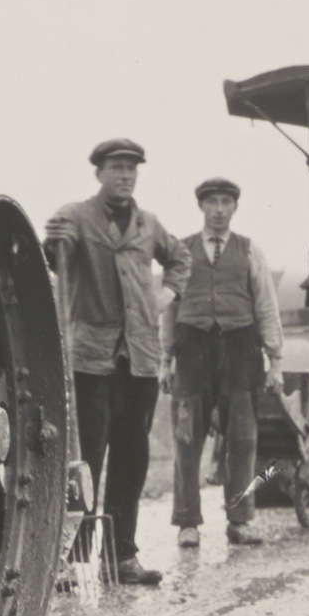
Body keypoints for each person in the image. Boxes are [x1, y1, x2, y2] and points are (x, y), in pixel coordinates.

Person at [46, 140, 191, 588]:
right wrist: (54, 242)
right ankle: (69, 558)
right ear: (99, 174)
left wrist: (167, 294)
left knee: (132, 457)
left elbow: (180, 258)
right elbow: (56, 255)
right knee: (85, 459)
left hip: (140, 358)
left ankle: (121, 557)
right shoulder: (76, 215)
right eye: (116, 168)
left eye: (131, 169)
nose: (125, 176)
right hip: (91, 358)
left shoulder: (149, 224)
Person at [164, 177, 281, 550]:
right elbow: (170, 309)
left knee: (243, 439)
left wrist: (275, 360)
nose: (218, 209)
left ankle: (240, 520)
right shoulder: (181, 251)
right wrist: (164, 360)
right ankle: (187, 524)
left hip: (240, 350)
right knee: (186, 438)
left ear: (234, 207)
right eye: (212, 202)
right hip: (192, 351)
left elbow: (266, 305)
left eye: (225, 202)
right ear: (201, 206)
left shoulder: (249, 251)